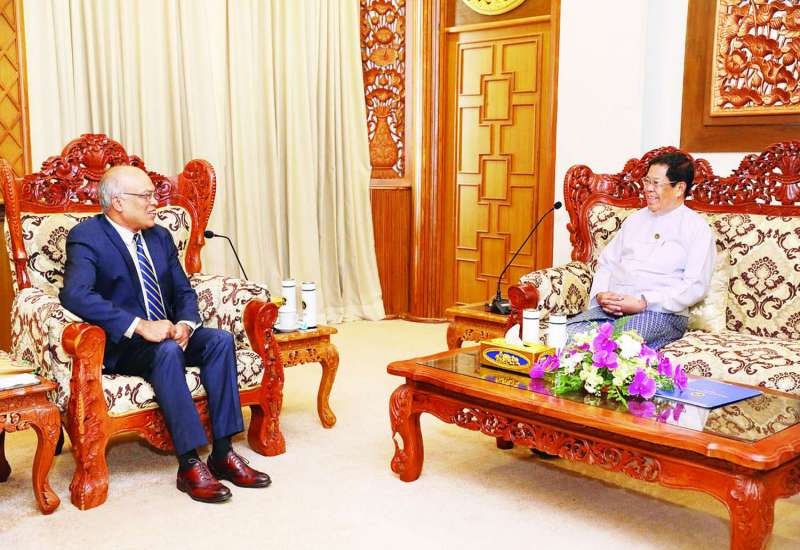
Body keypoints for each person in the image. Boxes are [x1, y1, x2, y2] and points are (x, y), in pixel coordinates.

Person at [60, 165, 271, 503]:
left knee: (220, 341)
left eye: (154, 195)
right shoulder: (87, 236)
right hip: (124, 344)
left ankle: (222, 453)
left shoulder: (159, 236)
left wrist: (185, 324)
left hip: (170, 333)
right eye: (145, 196)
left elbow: (184, 290)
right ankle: (189, 464)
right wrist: (139, 325)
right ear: (118, 202)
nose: (154, 202)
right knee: (167, 352)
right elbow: (75, 294)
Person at [567, 152, 716, 350]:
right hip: (613, 311)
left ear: (679, 188)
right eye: (646, 181)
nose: (648, 189)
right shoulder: (635, 220)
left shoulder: (696, 228)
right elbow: (607, 263)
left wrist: (645, 302)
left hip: (660, 314)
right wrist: (602, 295)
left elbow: (695, 285)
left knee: (617, 345)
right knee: (565, 337)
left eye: (656, 183)